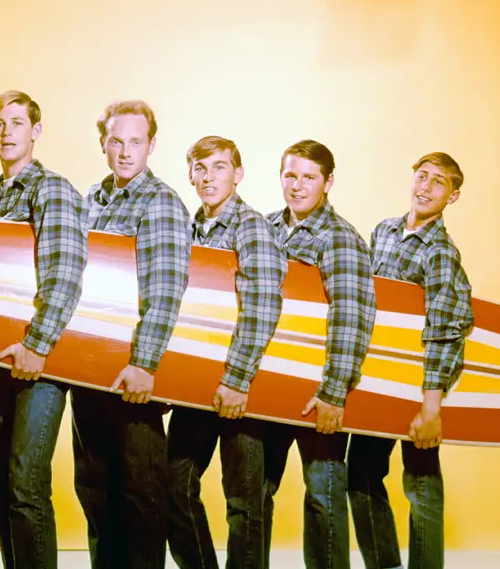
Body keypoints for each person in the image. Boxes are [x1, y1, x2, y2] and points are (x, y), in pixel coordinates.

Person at [0, 90, 87, 569]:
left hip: (40, 363)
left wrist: (37, 346)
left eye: (17, 122)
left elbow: (65, 274)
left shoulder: (51, 190)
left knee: (25, 485)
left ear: (35, 131)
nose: (7, 130)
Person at [71, 99, 192, 569]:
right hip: (87, 371)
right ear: (103, 143)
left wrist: (144, 363)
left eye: (136, 142)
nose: (125, 152)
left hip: (132, 372)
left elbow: (166, 288)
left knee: (140, 493)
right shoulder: (89, 201)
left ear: (152, 145)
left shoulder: (160, 202)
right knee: (95, 488)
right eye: (116, 141)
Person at [347, 152, 474, 569]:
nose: (425, 187)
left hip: (420, 384)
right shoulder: (383, 231)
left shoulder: (440, 252)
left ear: (452, 197)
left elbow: (445, 329)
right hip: (378, 379)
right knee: (362, 475)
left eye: (438, 182)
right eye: (422, 176)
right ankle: (384, 564)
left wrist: (430, 407)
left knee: (421, 485)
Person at [167, 135, 286, 569]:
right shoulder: (189, 228)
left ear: (237, 174)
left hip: (242, 385)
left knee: (244, 501)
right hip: (197, 385)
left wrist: (236, 380)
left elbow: (262, 304)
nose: (208, 177)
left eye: (219, 167)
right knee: (173, 484)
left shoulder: (251, 226)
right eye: (200, 169)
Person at [263, 139, 376, 569]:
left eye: (308, 177)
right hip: (270, 385)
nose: (297, 185)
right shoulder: (267, 226)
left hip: (317, 389)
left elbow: (351, 316)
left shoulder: (340, 238)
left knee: (324, 493)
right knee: (255, 491)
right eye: (290, 175)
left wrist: (333, 392)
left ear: (328, 183)